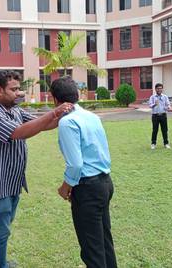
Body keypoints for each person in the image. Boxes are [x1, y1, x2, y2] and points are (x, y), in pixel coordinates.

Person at [0, 70, 73, 268]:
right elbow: (18, 132)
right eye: (14, 89)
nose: (19, 93)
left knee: (2, 229)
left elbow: (42, 125)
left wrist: (66, 114)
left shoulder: (15, 111)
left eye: (19, 89)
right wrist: (54, 111)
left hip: (10, 183)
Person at [51, 76, 117, 268]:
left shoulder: (68, 122)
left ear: (55, 99)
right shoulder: (92, 116)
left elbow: (75, 164)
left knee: (92, 251)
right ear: (77, 94)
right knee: (104, 242)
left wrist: (65, 187)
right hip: (104, 183)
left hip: (87, 188)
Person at [148, 83, 171, 150]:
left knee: (165, 130)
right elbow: (150, 105)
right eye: (158, 88)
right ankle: (153, 144)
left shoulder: (165, 97)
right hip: (155, 115)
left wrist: (168, 107)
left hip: (163, 115)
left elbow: (168, 104)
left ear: (162, 89)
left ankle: (166, 143)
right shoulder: (152, 97)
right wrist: (155, 104)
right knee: (155, 130)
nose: (159, 90)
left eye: (160, 88)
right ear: (155, 89)